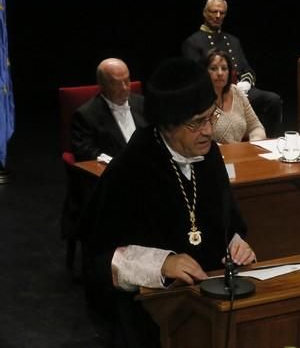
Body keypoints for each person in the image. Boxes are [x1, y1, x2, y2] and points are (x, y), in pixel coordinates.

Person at [82, 58, 255, 348]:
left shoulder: (208, 154)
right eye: (196, 123)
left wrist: (234, 242)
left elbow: (222, 219)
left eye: (211, 117)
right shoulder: (134, 165)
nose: (209, 131)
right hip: (151, 312)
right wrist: (162, 264)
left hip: (210, 303)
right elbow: (99, 256)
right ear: (167, 124)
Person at [181, 0, 283, 136]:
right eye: (214, 11)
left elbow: (246, 69)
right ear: (205, 13)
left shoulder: (233, 40)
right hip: (212, 93)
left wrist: (246, 84)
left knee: (273, 100)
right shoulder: (192, 42)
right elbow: (195, 77)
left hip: (240, 91)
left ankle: (267, 142)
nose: (218, 16)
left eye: (222, 13)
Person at [71, 58, 147, 162]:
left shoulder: (143, 103)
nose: (125, 87)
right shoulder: (86, 115)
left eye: (127, 80)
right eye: (117, 83)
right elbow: (85, 153)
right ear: (102, 85)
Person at [201, 49, 266, 143]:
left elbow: (256, 127)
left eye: (224, 68)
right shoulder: (199, 99)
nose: (220, 73)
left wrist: (254, 144)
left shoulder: (236, 92)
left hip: (240, 154)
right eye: (213, 68)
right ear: (205, 72)